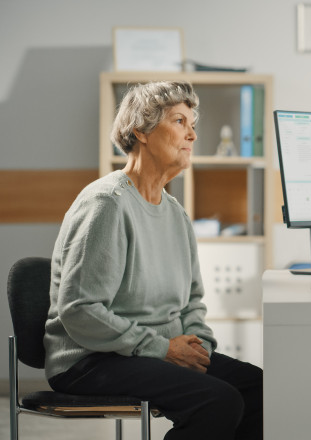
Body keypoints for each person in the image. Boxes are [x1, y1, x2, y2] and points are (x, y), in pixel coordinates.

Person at [43, 81, 263, 440]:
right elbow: (80, 310)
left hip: (152, 352)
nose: (191, 134)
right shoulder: (107, 204)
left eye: (193, 124)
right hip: (91, 358)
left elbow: (192, 301)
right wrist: (161, 348)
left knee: (258, 389)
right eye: (179, 121)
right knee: (217, 401)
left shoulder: (176, 214)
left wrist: (200, 346)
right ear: (140, 131)